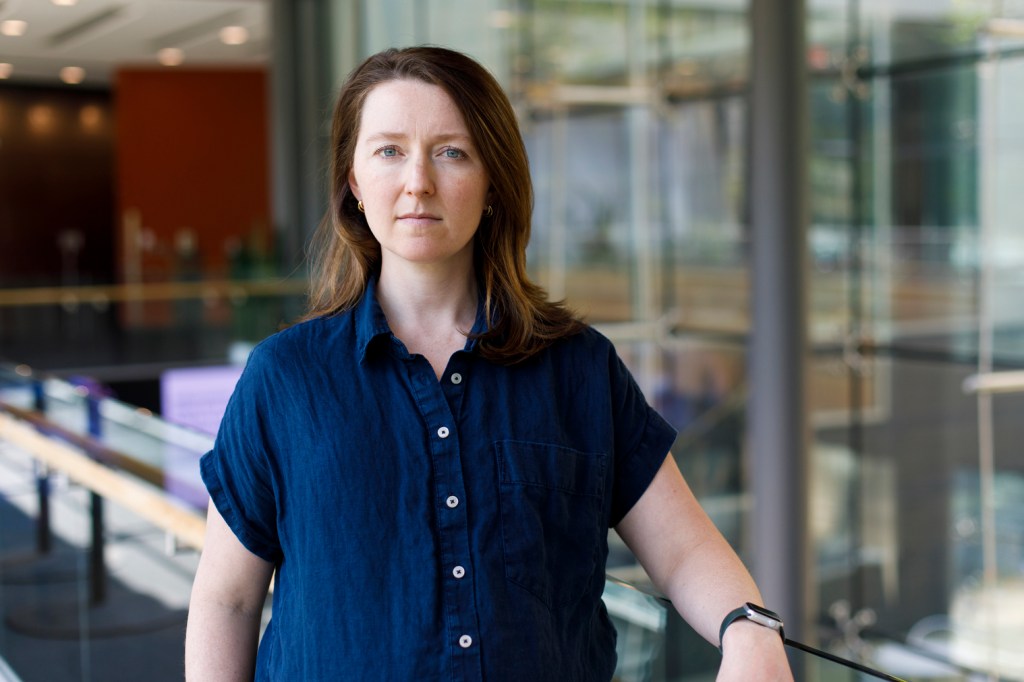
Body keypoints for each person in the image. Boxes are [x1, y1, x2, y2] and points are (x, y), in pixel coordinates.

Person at [185, 46, 793, 682]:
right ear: (354, 183)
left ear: (493, 182)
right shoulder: (284, 379)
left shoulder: (578, 369)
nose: (417, 181)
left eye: (451, 151)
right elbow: (226, 599)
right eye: (389, 150)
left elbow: (685, 550)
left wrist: (749, 630)